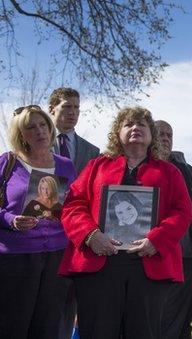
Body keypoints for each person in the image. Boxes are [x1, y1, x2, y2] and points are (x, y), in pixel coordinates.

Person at [58, 107, 192, 339]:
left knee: (143, 331)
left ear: (151, 134)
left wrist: (157, 239)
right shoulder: (96, 166)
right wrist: (90, 235)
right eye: (128, 124)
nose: (135, 128)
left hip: (148, 264)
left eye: (142, 124)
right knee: (98, 331)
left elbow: (182, 212)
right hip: (100, 263)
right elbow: (73, 206)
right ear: (117, 133)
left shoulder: (169, 172)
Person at [0, 105, 76, 339]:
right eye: (30, 127)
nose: (39, 131)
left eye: (43, 125)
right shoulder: (7, 162)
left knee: (48, 327)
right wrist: (11, 219)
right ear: (21, 135)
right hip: (15, 260)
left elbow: (76, 206)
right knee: (12, 326)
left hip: (57, 257)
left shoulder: (66, 164)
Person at [48, 87, 100, 339]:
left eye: (76, 108)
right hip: (42, 236)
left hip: (77, 239)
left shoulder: (92, 152)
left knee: (70, 305)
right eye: (67, 107)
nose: (73, 113)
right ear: (52, 109)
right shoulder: (36, 143)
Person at [155, 120, 192, 339]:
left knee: (179, 319)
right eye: (161, 134)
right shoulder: (141, 167)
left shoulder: (187, 172)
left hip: (185, 255)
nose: (166, 139)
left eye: (169, 135)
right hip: (152, 253)